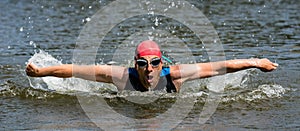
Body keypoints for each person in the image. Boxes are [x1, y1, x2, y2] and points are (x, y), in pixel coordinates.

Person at [26, 40, 278, 93]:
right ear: (135, 65)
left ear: (162, 64)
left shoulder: (175, 75)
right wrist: (42, 72)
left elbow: (219, 67)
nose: (149, 69)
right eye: (143, 64)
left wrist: (256, 63)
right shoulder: (121, 76)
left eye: (155, 63)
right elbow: (74, 70)